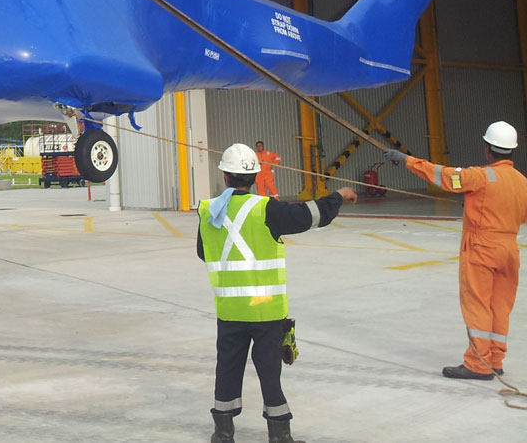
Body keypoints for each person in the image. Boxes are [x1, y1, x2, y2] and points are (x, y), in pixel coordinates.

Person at [198, 143, 356, 443]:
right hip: (266, 310)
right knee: (269, 373)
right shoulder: (267, 209)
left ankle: (223, 433)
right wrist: (340, 195)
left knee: (227, 368)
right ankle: (280, 435)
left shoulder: (208, 211)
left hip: (230, 311)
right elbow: (311, 214)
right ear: (255, 177)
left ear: (225, 177)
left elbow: (202, 252)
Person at [385, 120, 527, 379]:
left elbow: (443, 176)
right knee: (500, 307)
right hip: (509, 249)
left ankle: (477, 364)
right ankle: (495, 360)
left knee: (478, 305)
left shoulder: (480, 176)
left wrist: (407, 160)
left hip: (482, 248)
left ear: (488, 148)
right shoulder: (522, 181)